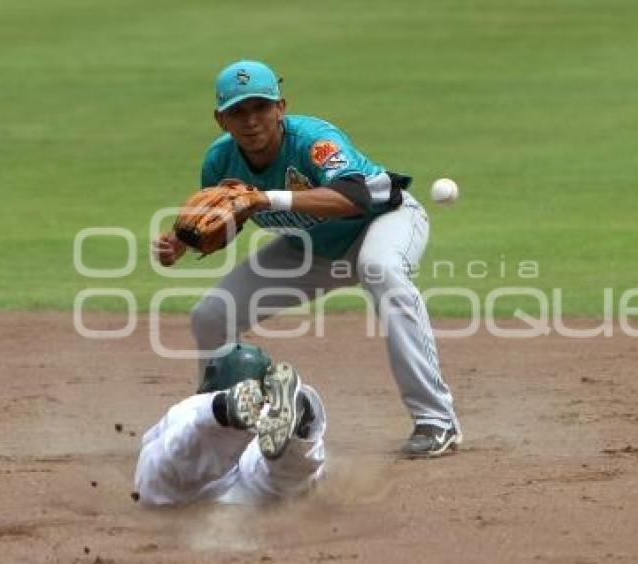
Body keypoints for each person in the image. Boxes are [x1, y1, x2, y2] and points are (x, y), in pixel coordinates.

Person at [153, 59, 460, 457]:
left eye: (261, 107)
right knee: (211, 316)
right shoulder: (219, 161)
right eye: (238, 112)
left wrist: (264, 198)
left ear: (280, 107)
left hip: (385, 222)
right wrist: (185, 241)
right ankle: (222, 425)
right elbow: (226, 221)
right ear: (220, 119)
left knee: (380, 268)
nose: (251, 121)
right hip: (308, 249)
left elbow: (356, 197)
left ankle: (437, 421)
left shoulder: (313, 139)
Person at [134, 343, 325, 506]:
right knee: (287, 480)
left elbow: (153, 447)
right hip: (247, 495)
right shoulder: (269, 412)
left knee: (173, 457)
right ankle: (302, 430)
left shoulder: (191, 405)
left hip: (182, 492)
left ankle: (223, 412)